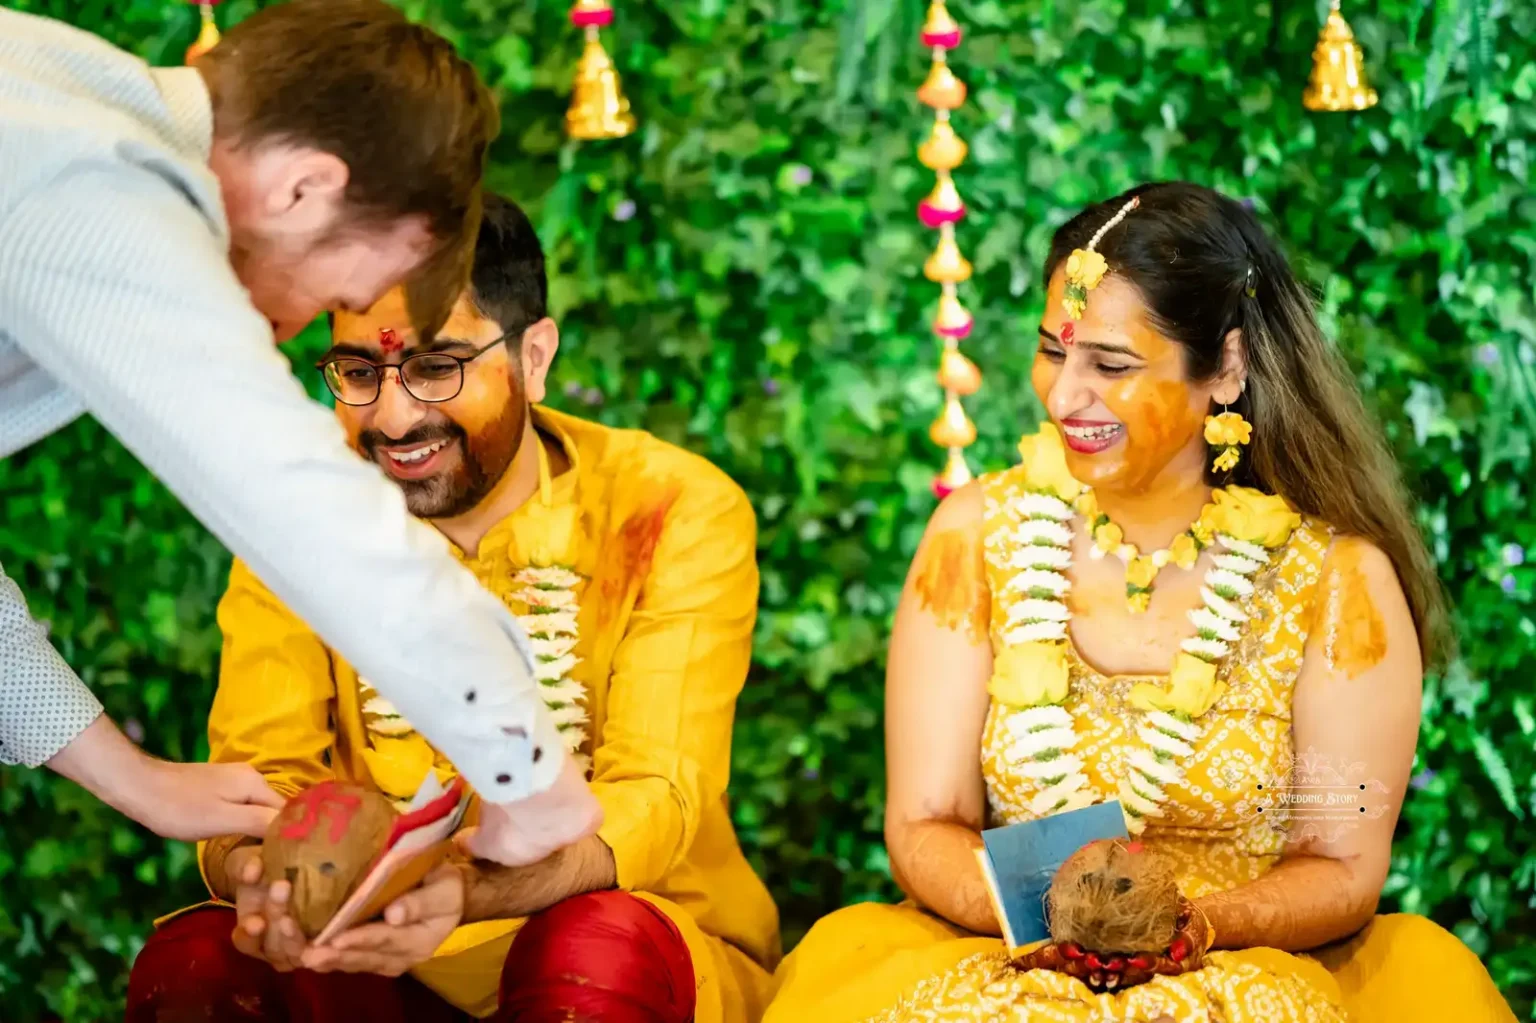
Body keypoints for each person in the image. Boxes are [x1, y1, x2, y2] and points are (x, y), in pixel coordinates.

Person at [762, 183, 1514, 1023]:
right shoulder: (975, 536)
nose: (1062, 396)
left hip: (1245, 967)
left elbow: (1340, 864)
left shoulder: (1337, 583)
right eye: (1054, 350)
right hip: (1006, 959)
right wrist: (1051, 923)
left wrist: (1192, 925)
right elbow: (926, 820)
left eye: (1110, 365)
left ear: (1225, 367)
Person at [125, 193, 781, 1023]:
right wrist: (262, 879)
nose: (393, 417)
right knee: (202, 964)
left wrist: (465, 890)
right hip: (367, 955)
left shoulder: (672, 509)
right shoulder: (298, 509)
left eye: (438, 368)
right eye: (358, 373)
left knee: (592, 953)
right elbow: (262, 778)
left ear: (534, 356)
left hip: (616, 930)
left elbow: (657, 793)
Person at [0, 1, 598, 856]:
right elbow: (297, 504)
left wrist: (134, 778)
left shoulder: (52, 93)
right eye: (338, 294)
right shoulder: (95, 181)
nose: (296, 329)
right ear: (304, 187)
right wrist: (537, 785)